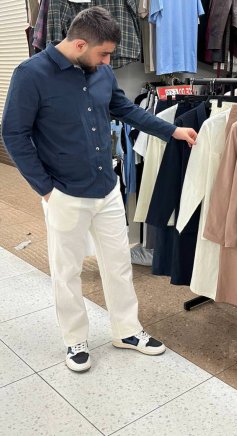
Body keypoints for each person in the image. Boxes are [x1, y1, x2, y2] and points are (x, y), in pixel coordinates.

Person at [1, 6, 197, 373]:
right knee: (67, 271)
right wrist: (45, 189)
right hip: (64, 192)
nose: (108, 62)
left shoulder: (101, 72)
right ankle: (75, 339)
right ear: (79, 44)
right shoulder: (31, 74)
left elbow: (125, 109)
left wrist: (172, 130)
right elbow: (13, 133)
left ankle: (127, 330)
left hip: (106, 188)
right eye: (103, 54)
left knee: (118, 264)